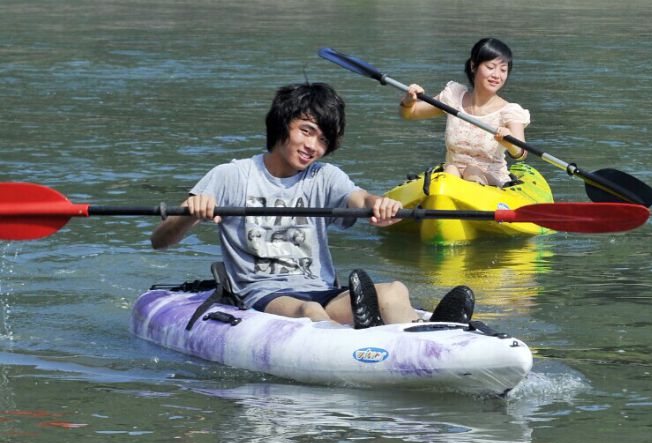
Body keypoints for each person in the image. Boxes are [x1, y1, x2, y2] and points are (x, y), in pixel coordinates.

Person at [151, 82, 473, 329]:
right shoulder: (230, 176)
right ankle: (366, 350)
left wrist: (381, 205)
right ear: (282, 124)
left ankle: (434, 338)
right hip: (263, 295)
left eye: (322, 140)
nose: (313, 147)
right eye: (306, 132)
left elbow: (360, 199)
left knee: (394, 291)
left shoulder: (324, 176)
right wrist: (190, 216)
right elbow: (160, 240)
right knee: (309, 313)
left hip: (320, 290)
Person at [399, 37, 530, 186]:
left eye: (503, 70)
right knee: (451, 171)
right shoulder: (454, 97)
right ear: (474, 66)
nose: (497, 75)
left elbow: (521, 153)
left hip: (491, 181)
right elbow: (410, 113)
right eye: (490, 67)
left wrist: (510, 142)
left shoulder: (510, 111)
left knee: (472, 171)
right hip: (452, 176)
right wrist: (409, 101)